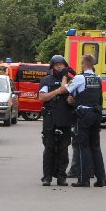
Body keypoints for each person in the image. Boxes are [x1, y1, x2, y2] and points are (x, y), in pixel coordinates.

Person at [58, 54, 106, 187]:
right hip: (96, 114)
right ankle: (101, 179)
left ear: (84, 64)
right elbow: (90, 95)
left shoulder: (80, 78)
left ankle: (83, 179)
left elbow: (63, 89)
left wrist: (64, 76)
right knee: (95, 147)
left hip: (84, 115)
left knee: (82, 146)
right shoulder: (98, 78)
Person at [37, 55, 74, 186]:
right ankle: (47, 177)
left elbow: (74, 98)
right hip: (50, 118)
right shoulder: (46, 80)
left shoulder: (71, 81)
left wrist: (71, 100)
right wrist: (58, 91)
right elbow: (42, 97)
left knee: (64, 149)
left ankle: (61, 177)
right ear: (52, 66)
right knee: (49, 148)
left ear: (65, 66)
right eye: (56, 64)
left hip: (65, 118)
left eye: (61, 64)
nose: (59, 66)